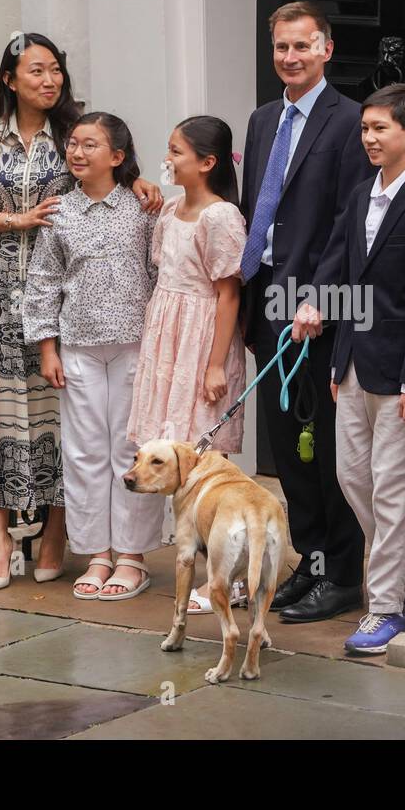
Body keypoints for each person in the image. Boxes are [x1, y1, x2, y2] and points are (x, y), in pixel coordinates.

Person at [0, 33, 161, 593]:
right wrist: (18, 221)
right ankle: (0, 544)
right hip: (3, 293)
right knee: (1, 419)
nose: (49, 81)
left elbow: (109, 171)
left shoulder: (73, 136)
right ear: (9, 79)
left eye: (56, 71)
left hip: (80, 305)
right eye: (37, 71)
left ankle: (58, 536)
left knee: (72, 427)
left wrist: (137, 179)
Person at [292, 83, 405, 654]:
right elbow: (337, 263)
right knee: (352, 478)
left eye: (379, 128)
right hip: (352, 364)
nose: (368, 138)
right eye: (364, 128)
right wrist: (315, 305)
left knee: (391, 487)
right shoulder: (362, 195)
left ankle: (384, 607)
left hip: (400, 375)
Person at [238, 1, 376, 624]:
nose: (289, 58)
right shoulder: (263, 119)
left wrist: (320, 296)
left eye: (301, 47)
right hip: (266, 300)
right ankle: (311, 561)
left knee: (322, 447)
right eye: (280, 49)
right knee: (289, 451)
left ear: (326, 48)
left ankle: (344, 574)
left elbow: (349, 221)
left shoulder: (350, 121)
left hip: (318, 307)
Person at [22, 112, 164, 601]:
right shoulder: (58, 212)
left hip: (134, 346)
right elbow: (42, 282)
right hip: (77, 347)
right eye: (73, 144)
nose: (78, 153)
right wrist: (47, 347)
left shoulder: (143, 208)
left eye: (91, 145)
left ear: (117, 157)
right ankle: (97, 554)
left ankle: (132, 557)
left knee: (130, 452)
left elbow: (160, 272)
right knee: (84, 454)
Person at [128, 116, 248, 608]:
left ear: (207, 162)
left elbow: (228, 295)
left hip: (201, 340)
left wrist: (216, 364)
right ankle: (196, 564)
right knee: (174, 456)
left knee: (207, 462)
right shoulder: (172, 210)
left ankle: (229, 576)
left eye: (177, 152)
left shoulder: (220, 217)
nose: (168, 159)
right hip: (167, 337)